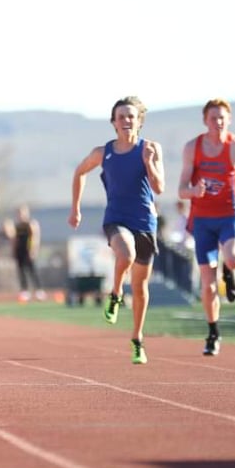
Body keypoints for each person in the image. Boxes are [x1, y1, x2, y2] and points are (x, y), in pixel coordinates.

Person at [68, 96, 164, 364]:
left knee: (141, 285)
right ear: (113, 122)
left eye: (131, 116)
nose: (126, 121)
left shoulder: (151, 148)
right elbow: (79, 172)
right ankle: (116, 293)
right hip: (116, 218)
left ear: (139, 121)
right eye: (121, 117)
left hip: (145, 222)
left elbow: (159, 188)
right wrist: (75, 208)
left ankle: (137, 339)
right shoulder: (103, 152)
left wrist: (149, 163)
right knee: (126, 254)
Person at [177, 98, 235, 356]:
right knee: (207, 284)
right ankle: (213, 332)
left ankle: (229, 269)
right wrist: (193, 190)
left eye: (222, 118)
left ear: (229, 120)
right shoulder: (192, 148)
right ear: (205, 121)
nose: (218, 122)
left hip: (231, 216)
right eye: (213, 118)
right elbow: (181, 190)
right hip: (203, 221)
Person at [4, 204, 46, 301]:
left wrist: (33, 250)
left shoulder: (31, 224)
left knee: (32, 270)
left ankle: (39, 290)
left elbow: (35, 237)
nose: (21, 215)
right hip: (19, 250)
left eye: (22, 213)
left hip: (28, 250)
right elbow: (13, 239)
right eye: (19, 213)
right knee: (21, 271)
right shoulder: (16, 226)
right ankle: (24, 291)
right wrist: (13, 250)